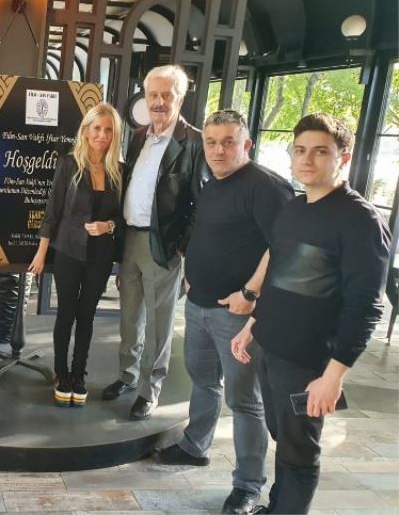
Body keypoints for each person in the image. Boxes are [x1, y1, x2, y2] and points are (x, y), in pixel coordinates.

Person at [232, 113, 391, 514]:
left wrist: (333, 376)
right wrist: (254, 324)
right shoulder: (294, 207)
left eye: (320, 151)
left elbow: (366, 307)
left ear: (344, 158)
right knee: (283, 439)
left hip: (307, 362)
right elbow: (279, 274)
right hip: (270, 347)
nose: (306, 159)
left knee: (300, 454)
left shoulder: (361, 220)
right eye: (300, 150)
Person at [152, 110, 294, 514]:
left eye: (228, 142)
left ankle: (248, 485)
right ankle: (195, 446)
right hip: (198, 305)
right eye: (211, 142)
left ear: (246, 144)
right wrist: (191, 276)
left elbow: (284, 246)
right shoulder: (213, 183)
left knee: (245, 400)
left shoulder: (266, 187)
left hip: (237, 314)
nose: (218, 150)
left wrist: (251, 294)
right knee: (203, 382)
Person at [105, 65, 208, 422]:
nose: (159, 102)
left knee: (159, 324)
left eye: (167, 95)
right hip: (130, 239)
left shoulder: (193, 142)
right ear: (145, 97)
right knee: (129, 316)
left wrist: (182, 245)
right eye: (153, 95)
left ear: (180, 97)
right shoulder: (137, 136)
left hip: (163, 244)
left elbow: (200, 203)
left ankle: (150, 391)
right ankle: (127, 376)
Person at [29, 103, 124, 406]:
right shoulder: (68, 164)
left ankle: (79, 374)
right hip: (68, 250)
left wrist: (109, 225)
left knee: (86, 316)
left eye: (108, 130)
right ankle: (62, 373)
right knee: (66, 313)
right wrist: (41, 253)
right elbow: (52, 212)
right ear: (85, 131)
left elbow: (124, 217)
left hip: (101, 256)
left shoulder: (120, 171)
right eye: (97, 128)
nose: (102, 135)